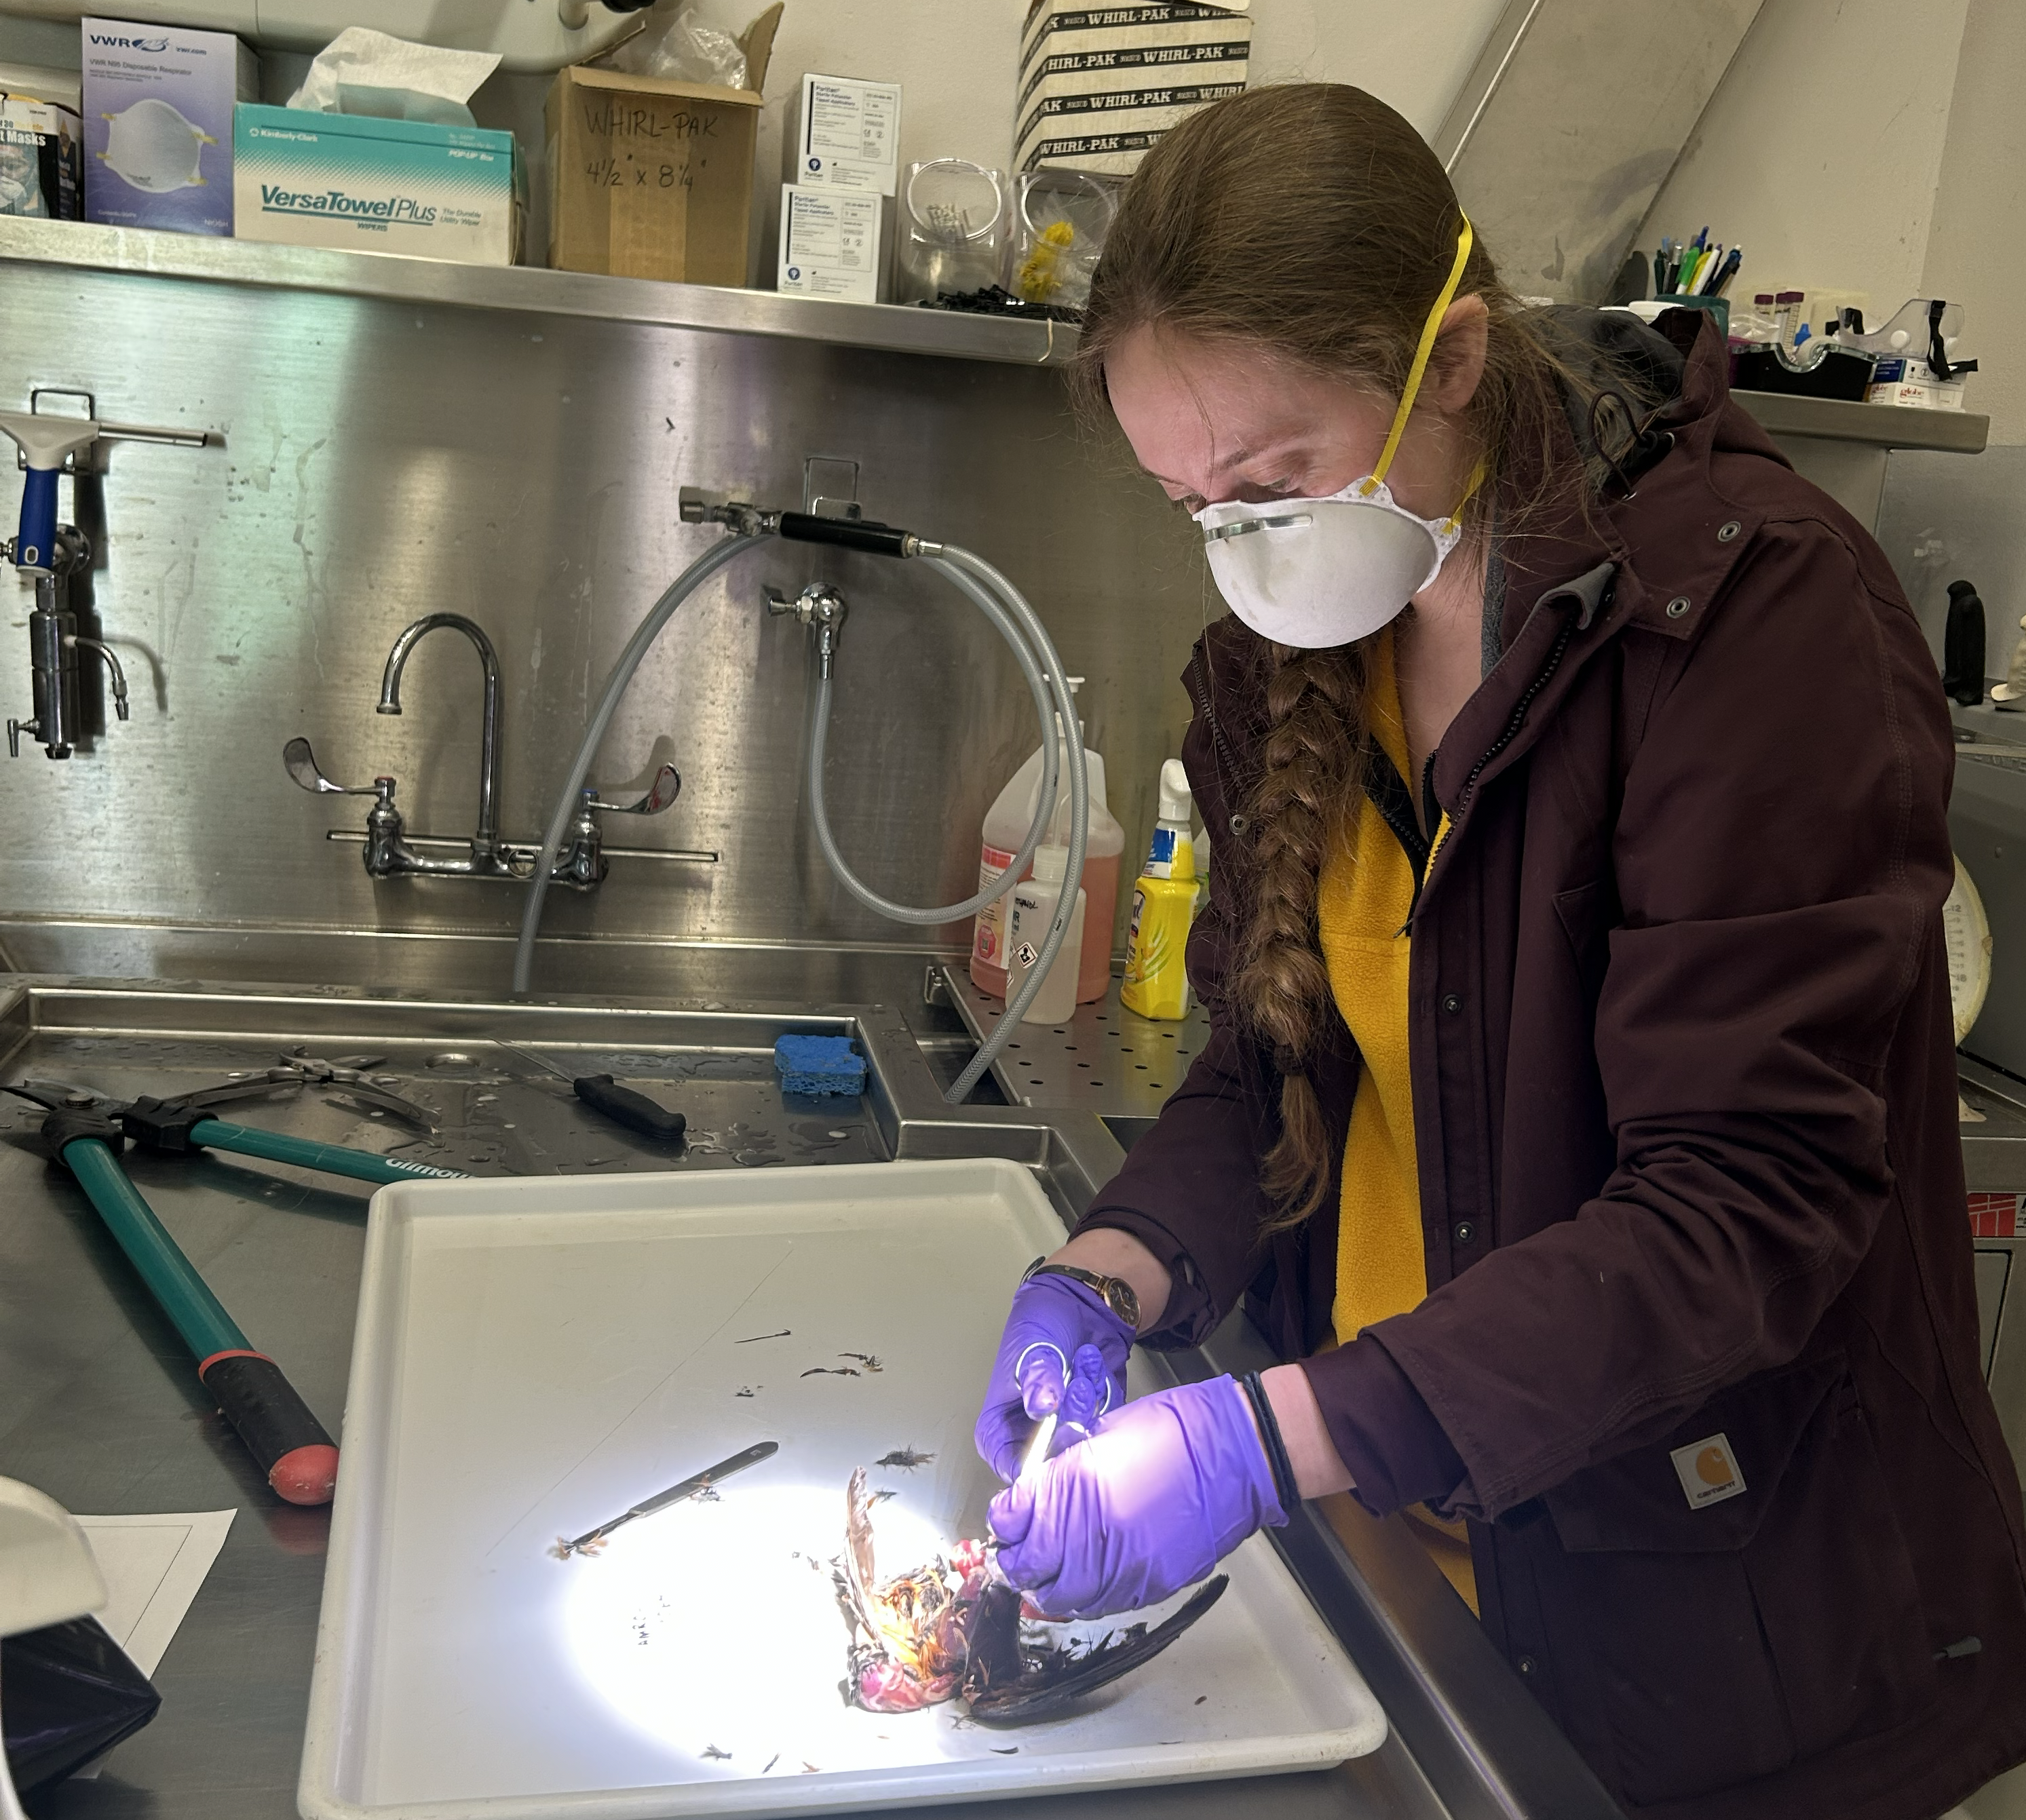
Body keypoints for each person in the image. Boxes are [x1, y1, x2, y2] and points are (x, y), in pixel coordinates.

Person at [972, 83, 2026, 1820]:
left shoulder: (1752, 629)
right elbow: (1268, 1056)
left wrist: (1266, 1439)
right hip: (1414, 1554)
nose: (1238, 547)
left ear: (1447, 361)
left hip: (1721, 1639)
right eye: (1191, 503)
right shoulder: (1283, 658)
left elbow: (1736, 1206)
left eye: (1272, 481)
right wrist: (1111, 1272)